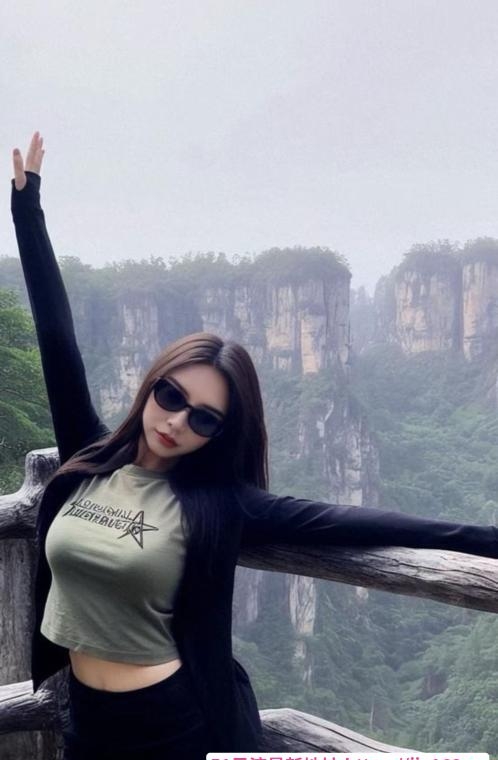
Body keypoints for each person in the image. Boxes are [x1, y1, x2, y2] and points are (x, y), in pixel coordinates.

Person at [10, 132, 498, 760]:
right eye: (171, 395)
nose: (177, 421)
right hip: (83, 718)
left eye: (205, 419)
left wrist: (485, 539)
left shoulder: (220, 502)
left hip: (174, 725)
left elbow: (354, 521)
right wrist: (28, 210)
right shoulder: (90, 457)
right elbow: (58, 342)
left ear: (222, 434)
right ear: (151, 384)